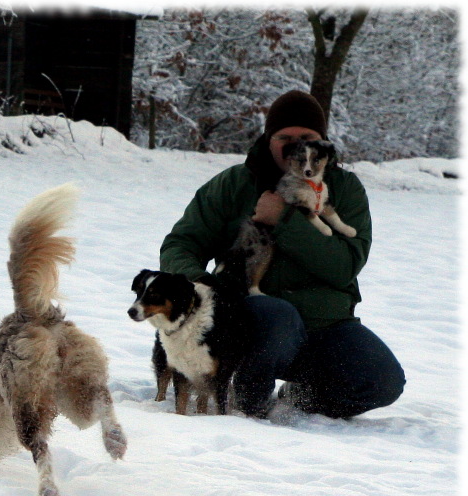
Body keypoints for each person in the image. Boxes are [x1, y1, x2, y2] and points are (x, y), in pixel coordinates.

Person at [159, 90, 405, 419]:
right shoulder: (234, 183)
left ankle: (301, 396)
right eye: (285, 137)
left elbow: (344, 266)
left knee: (382, 381)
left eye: (307, 137)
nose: (296, 145)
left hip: (325, 324)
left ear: (323, 143)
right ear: (268, 138)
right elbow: (181, 243)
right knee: (277, 314)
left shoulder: (344, 190)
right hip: (250, 320)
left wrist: (284, 220)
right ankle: (246, 399)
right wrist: (198, 284)